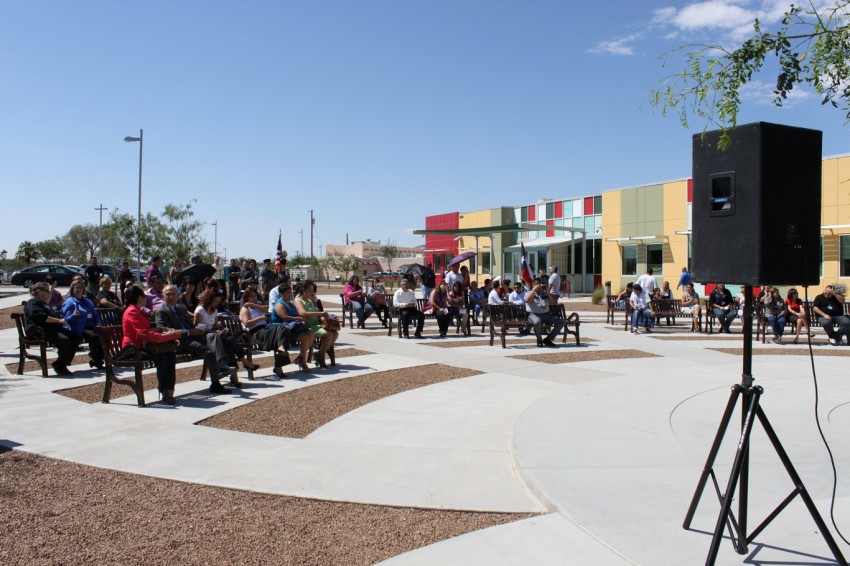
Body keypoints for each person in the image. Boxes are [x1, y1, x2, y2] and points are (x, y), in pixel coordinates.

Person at [156, 284, 232, 393]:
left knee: (215, 336)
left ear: (178, 295)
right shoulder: (162, 311)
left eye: (174, 294)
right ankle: (216, 383)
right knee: (209, 351)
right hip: (180, 341)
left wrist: (200, 329)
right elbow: (165, 331)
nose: (171, 296)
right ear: (163, 296)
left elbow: (190, 324)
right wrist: (189, 332)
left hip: (194, 335)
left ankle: (223, 365)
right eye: (168, 294)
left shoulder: (181, 308)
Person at [122, 285, 181, 404]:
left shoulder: (137, 310)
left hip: (142, 346)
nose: (146, 299)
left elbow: (146, 331)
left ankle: (169, 389)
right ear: (139, 298)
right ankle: (164, 390)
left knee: (170, 354)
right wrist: (162, 336)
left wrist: (164, 334)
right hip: (132, 349)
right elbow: (141, 332)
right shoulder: (132, 311)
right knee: (162, 357)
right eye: (144, 296)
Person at [193, 290, 258, 387]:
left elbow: (215, 326)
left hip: (214, 335)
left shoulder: (214, 311)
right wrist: (211, 331)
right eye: (215, 301)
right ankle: (242, 365)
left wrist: (220, 330)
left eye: (218, 302)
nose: (216, 304)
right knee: (229, 342)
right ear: (209, 300)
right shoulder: (200, 310)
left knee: (229, 342)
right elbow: (195, 327)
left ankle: (236, 372)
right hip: (204, 336)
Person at [241, 286, 299, 377]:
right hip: (255, 333)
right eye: (251, 296)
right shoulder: (245, 309)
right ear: (246, 297)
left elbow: (267, 310)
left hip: (265, 331)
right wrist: (259, 318)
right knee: (280, 331)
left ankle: (281, 350)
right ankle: (279, 362)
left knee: (283, 329)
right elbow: (247, 323)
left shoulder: (257, 306)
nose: (254, 298)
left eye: (255, 295)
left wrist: (254, 305)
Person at [24, 282, 80, 376]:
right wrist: (59, 321)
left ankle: (60, 363)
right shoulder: (33, 302)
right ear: (39, 291)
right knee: (64, 341)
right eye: (47, 291)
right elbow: (41, 317)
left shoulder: (43, 303)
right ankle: (60, 366)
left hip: (51, 330)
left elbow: (48, 300)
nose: (50, 293)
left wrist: (50, 290)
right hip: (39, 332)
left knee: (75, 337)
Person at [294, 280, 338, 367]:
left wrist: (323, 318)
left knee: (335, 333)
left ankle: (319, 353)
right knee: (328, 334)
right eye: (310, 290)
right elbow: (303, 313)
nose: (312, 292)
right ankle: (321, 356)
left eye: (312, 290)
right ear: (304, 290)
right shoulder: (298, 300)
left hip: (316, 324)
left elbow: (315, 314)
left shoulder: (309, 301)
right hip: (308, 326)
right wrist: (320, 313)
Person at [62, 280, 104, 369]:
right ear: (72, 289)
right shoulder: (70, 302)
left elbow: (95, 314)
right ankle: (95, 358)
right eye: (76, 288)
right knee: (94, 336)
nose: (78, 290)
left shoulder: (87, 301)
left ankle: (98, 360)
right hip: (78, 328)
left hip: (91, 326)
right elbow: (67, 319)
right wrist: (74, 315)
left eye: (80, 288)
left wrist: (98, 323)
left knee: (103, 335)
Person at [524, 279, 563, 347]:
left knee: (560, 322)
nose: (538, 286)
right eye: (536, 284)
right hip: (533, 315)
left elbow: (554, 302)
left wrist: (547, 291)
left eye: (539, 284)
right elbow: (527, 300)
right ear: (533, 285)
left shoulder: (545, 294)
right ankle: (539, 340)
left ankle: (548, 339)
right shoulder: (529, 293)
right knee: (537, 322)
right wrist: (534, 290)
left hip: (545, 315)